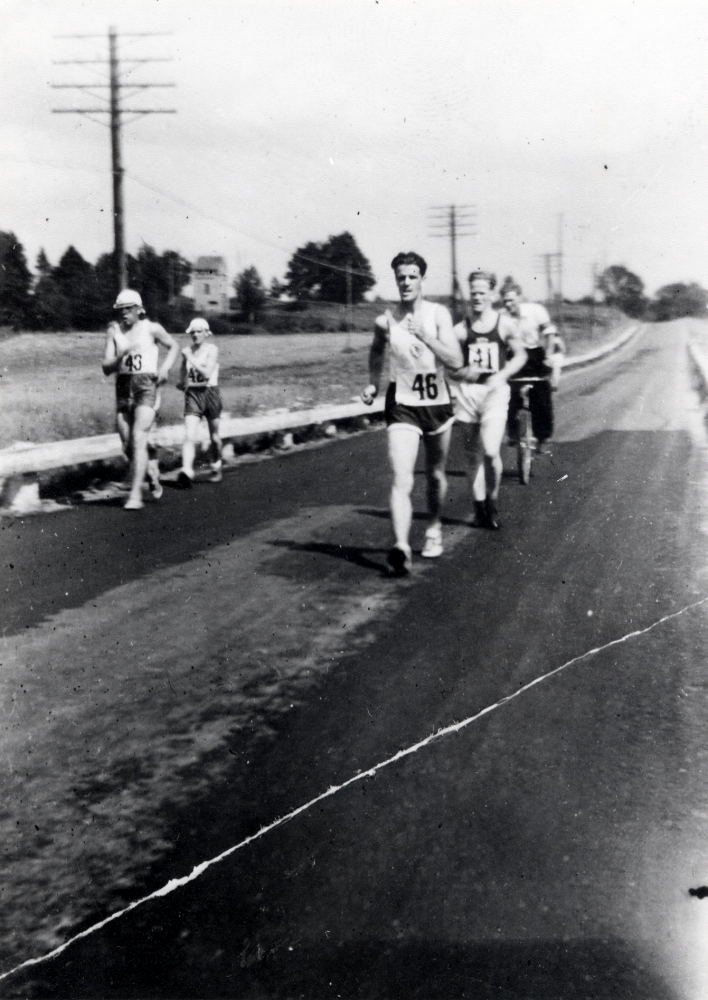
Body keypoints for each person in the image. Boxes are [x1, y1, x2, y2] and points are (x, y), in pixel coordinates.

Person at [361, 252, 463, 574]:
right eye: (401, 277)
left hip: (436, 406)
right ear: (395, 279)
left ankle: (433, 527)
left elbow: (456, 361)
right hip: (402, 405)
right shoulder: (386, 320)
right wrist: (372, 385)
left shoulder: (438, 314)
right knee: (402, 477)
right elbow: (376, 351)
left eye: (412, 276)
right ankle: (401, 546)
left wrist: (425, 335)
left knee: (434, 475)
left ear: (422, 279)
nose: (406, 282)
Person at [450, 271, 527, 529]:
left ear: (492, 294)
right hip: (468, 394)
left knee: (491, 451)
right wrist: (462, 371)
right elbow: (448, 365)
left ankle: (492, 499)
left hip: (495, 393)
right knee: (472, 456)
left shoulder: (504, 324)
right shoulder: (460, 330)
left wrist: (503, 374)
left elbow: (520, 355)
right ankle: (479, 505)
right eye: (473, 293)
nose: (477, 297)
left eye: (483, 292)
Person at [102, 289, 179, 510]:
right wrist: (120, 356)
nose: (123, 313)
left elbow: (173, 346)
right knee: (128, 444)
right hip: (123, 386)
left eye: (128, 309)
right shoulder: (113, 331)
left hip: (146, 386)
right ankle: (151, 471)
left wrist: (165, 368)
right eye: (120, 309)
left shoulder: (151, 328)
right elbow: (106, 367)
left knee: (138, 437)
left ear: (138, 309)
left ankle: (135, 495)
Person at [501, 279, 564, 452]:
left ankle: (543, 437)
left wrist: (548, 357)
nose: (508, 304)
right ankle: (513, 433)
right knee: (508, 395)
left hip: (535, 354)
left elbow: (550, 333)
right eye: (505, 301)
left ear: (520, 298)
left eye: (511, 300)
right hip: (513, 355)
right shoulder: (501, 317)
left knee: (541, 393)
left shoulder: (536, 311)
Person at [176, 317, 223, 487]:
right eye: (192, 332)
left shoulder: (212, 349)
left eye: (198, 331)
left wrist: (191, 358)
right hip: (193, 395)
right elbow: (183, 369)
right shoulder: (187, 351)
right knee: (189, 435)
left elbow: (207, 373)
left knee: (215, 438)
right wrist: (182, 381)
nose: (195, 335)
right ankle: (187, 471)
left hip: (210, 393)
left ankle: (216, 465)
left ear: (206, 333)